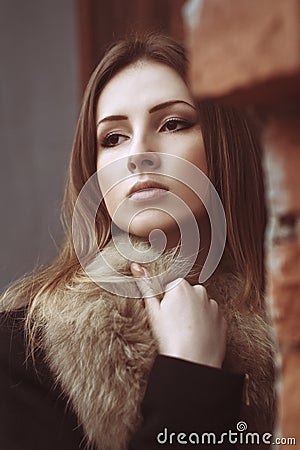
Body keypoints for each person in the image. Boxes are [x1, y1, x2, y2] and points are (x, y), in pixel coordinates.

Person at [0, 34, 275, 450]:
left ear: (225, 145)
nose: (140, 154)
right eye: (113, 138)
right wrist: (190, 371)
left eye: (173, 124)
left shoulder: (282, 318)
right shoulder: (24, 345)